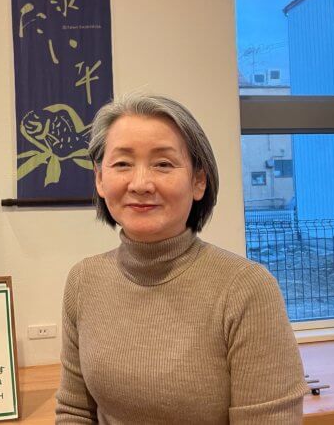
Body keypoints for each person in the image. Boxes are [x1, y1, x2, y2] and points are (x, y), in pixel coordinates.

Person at [55, 94, 307, 424]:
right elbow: (74, 411)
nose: (141, 184)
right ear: (100, 179)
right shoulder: (84, 280)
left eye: (163, 164)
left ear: (198, 181)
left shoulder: (246, 289)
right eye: (122, 164)